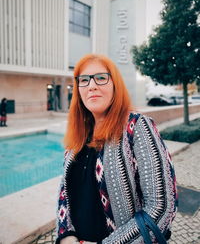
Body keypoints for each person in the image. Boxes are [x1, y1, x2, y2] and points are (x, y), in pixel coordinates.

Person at [56, 54, 178, 244]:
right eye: (84, 80)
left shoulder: (137, 127)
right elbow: (64, 194)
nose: (92, 86)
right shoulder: (77, 136)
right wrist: (65, 235)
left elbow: (162, 206)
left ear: (115, 84)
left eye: (101, 78)